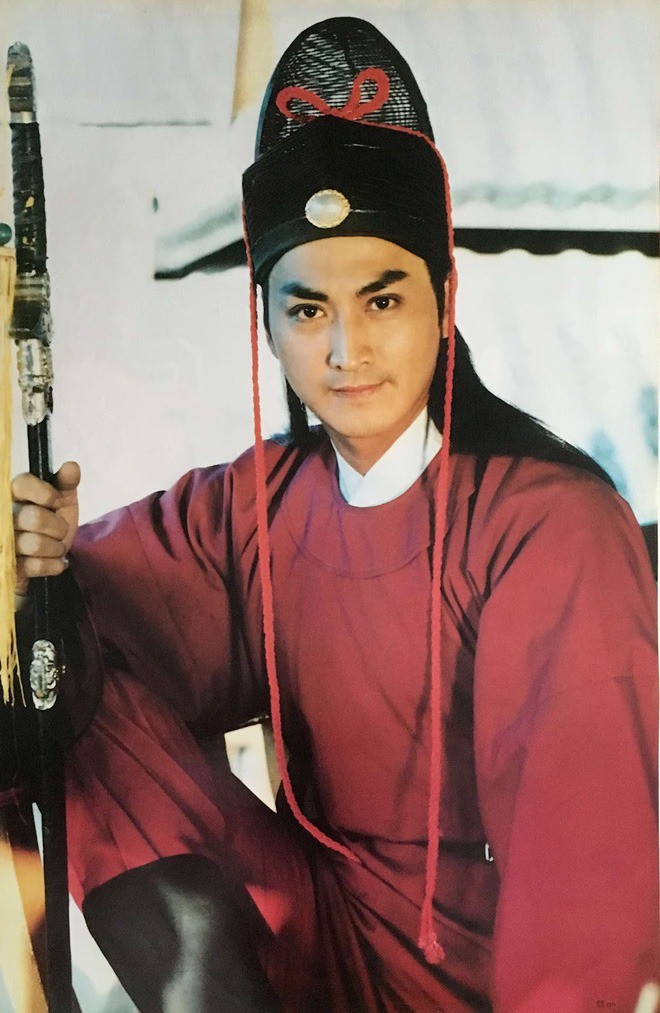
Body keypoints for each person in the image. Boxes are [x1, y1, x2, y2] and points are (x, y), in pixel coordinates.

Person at [9, 17, 658, 1013]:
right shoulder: (257, 505)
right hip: (306, 954)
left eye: (382, 300)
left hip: (486, 983)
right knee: (62, 663)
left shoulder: (550, 526)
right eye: (308, 308)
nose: (345, 349)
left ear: (445, 299)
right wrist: (31, 556)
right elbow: (92, 613)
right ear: (266, 322)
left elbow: (584, 874)